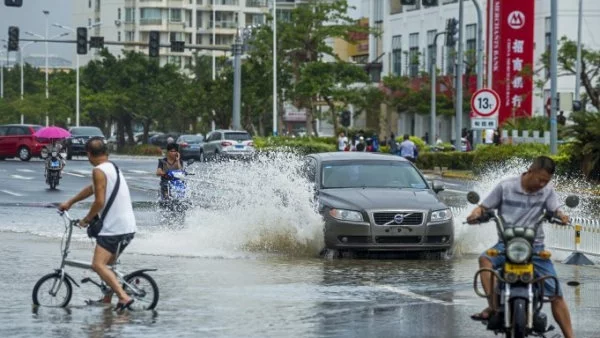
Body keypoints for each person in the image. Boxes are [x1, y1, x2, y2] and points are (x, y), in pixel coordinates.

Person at [466, 156, 574, 338]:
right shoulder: (505, 186)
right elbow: (483, 207)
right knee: (484, 259)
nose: (542, 184)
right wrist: (475, 214)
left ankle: (571, 336)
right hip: (505, 244)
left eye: (546, 181)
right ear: (529, 171)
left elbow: (556, 210)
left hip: (535, 247)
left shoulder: (547, 191)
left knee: (556, 293)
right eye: (540, 179)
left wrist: (562, 216)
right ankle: (493, 306)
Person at [58, 137, 137, 311]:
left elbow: (99, 201)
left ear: (88, 154)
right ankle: (107, 299)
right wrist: (70, 202)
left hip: (114, 228)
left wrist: (86, 220)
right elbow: (92, 188)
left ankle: (123, 297)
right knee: (108, 266)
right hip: (128, 226)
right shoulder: (111, 167)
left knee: (98, 265)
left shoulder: (98, 171)